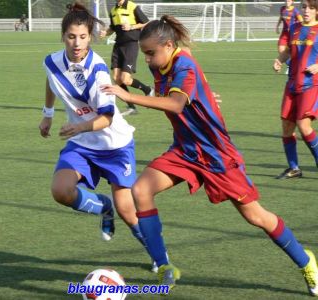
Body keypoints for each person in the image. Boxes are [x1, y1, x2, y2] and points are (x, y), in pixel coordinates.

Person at [101, 15, 318, 295]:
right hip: (185, 150)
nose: (148, 60)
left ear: (168, 45)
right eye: (144, 54)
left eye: (151, 53)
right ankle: (165, 265)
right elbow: (179, 94)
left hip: (216, 155)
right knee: (141, 190)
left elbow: (176, 104)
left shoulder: (184, 63)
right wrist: (203, 95)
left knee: (256, 217)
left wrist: (128, 96)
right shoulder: (162, 63)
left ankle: (306, 261)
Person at [38, 2, 157, 273]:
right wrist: (47, 114)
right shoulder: (52, 61)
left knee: (128, 211)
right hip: (83, 145)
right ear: (63, 36)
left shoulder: (99, 70)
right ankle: (103, 206)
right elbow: (51, 79)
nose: (77, 43)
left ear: (90, 37)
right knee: (61, 191)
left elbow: (107, 118)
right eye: (71, 36)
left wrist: (78, 127)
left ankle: (156, 254)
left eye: (82, 37)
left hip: (114, 144)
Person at [273, 0, 318, 179]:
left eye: (311, 8)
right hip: (292, 84)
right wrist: (279, 60)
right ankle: (294, 168)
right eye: (305, 7)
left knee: (303, 125)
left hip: (312, 84)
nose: (306, 10)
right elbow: (288, 52)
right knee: (287, 126)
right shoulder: (295, 27)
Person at [100, 0, 153, 116]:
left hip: (131, 44)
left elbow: (146, 22)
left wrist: (132, 26)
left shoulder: (132, 6)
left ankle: (147, 89)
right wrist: (105, 33)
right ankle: (131, 107)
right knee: (116, 78)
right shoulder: (113, 10)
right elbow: (113, 27)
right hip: (118, 45)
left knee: (125, 79)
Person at [276, 0, 303, 74]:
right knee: (281, 50)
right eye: (286, 1)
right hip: (284, 33)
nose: (287, 2)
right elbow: (281, 18)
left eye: (289, 1)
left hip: (292, 34)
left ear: (292, 2)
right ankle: (290, 65)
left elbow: (301, 21)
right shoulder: (282, 9)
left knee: (293, 51)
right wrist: (277, 26)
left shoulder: (295, 11)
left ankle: (292, 67)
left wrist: (298, 29)